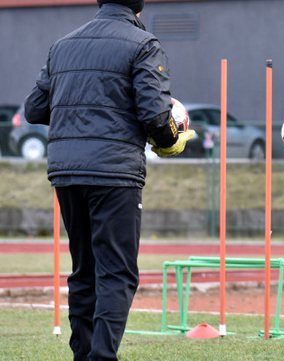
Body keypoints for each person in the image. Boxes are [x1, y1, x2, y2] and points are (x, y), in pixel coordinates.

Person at [23, 1, 194, 360]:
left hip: (66, 171)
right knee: (116, 273)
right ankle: (102, 356)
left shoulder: (63, 45)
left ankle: (83, 355)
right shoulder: (144, 44)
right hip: (115, 172)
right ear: (138, 4)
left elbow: (35, 109)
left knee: (84, 270)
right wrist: (170, 141)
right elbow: (154, 114)